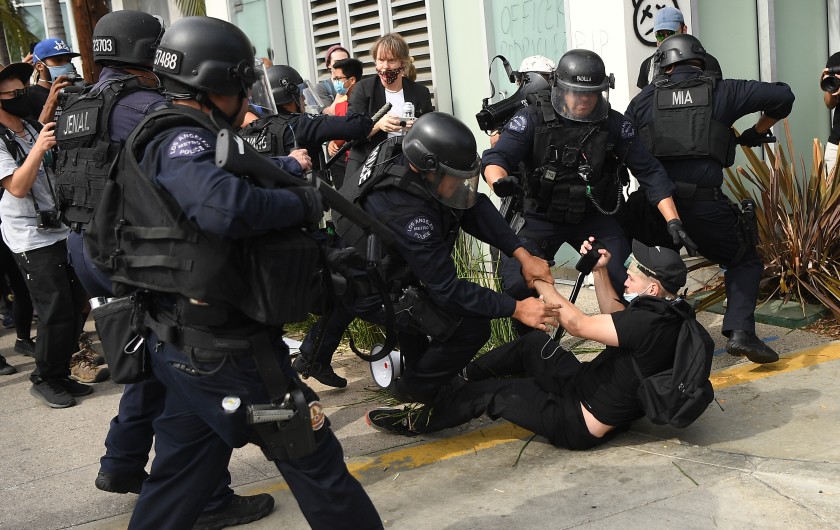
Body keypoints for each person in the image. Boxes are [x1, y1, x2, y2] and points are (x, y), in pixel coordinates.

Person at [83, 16, 381, 529]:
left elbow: (232, 171)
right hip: (232, 361)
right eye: (241, 86)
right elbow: (223, 208)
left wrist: (287, 171)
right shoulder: (178, 137)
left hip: (189, 355)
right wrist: (301, 204)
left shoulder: (182, 129)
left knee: (180, 479)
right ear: (216, 83)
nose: (247, 98)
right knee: (310, 454)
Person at [295, 111, 559, 401]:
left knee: (423, 321)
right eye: (454, 177)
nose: (460, 184)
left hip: (394, 267)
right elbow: (447, 290)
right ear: (427, 168)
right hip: (373, 287)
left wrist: (522, 254)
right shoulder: (407, 213)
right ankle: (417, 391)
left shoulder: (405, 152)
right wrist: (517, 308)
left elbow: (472, 204)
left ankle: (423, 377)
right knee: (469, 325)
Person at [367, 239, 695, 445]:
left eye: (633, 273)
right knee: (533, 344)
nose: (627, 275)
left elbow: (579, 325)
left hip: (577, 418)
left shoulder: (650, 321)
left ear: (652, 288)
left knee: (493, 395)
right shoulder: (669, 312)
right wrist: (600, 271)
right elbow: (615, 314)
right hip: (585, 385)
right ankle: (458, 379)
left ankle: (415, 421)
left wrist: (539, 281)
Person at [482, 49, 693, 334]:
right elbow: (496, 159)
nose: (583, 99)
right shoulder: (532, 118)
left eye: (591, 93)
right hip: (540, 216)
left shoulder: (615, 125)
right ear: (560, 88)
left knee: (624, 274)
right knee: (518, 280)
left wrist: (673, 219)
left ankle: (632, 339)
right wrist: (499, 182)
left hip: (592, 216)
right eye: (576, 92)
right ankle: (530, 349)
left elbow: (650, 172)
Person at [624, 34, 794, 364]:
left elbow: (623, 143)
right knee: (743, 258)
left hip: (654, 206)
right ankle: (741, 332)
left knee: (652, 273)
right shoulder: (722, 90)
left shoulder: (642, 101)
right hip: (703, 205)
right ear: (701, 61)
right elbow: (783, 96)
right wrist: (758, 131)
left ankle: (649, 344)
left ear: (664, 65)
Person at [0, 61, 91, 407]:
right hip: (30, 237)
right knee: (55, 310)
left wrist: (50, 106)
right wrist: (40, 146)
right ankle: (45, 377)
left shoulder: (24, 126)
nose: (22, 96)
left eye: (23, 90)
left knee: (77, 304)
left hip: (60, 228)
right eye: (13, 93)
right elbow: (18, 186)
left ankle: (60, 372)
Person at [239, 63, 372, 181]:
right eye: (300, 92)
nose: (303, 97)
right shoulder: (301, 123)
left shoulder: (247, 131)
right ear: (290, 93)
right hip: (305, 202)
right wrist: (357, 92)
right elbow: (360, 125)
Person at [345, 33, 434, 182]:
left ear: (403, 63)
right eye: (381, 60)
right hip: (367, 164)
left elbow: (429, 129)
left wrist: (417, 126)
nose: (385, 67)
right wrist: (378, 125)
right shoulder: (363, 89)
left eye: (391, 61)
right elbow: (350, 131)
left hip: (405, 164)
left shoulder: (420, 92)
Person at [636, 6, 722, 89]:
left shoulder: (707, 61)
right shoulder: (648, 66)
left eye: (671, 33)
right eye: (660, 35)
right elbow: (644, 100)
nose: (666, 39)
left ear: (684, 30)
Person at [326, 57, 365, 189]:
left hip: (361, 160)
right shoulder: (340, 104)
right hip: (341, 162)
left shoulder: (366, 102)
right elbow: (336, 130)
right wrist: (331, 143)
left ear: (352, 80)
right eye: (334, 79)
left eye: (338, 79)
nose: (335, 82)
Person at [28, 38, 81, 121]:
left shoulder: (76, 89)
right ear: (39, 66)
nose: (66, 65)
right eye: (58, 60)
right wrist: (51, 103)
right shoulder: (30, 96)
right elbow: (35, 132)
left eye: (68, 60)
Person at [821, 52, 840, 179]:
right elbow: (829, 103)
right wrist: (833, 91)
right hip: (837, 143)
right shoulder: (837, 59)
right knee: (831, 197)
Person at [316, 44, 351, 115]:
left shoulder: (356, 84)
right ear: (329, 64)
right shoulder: (322, 87)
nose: (342, 65)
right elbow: (330, 113)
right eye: (337, 62)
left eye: (345, 61)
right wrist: (342, 90)